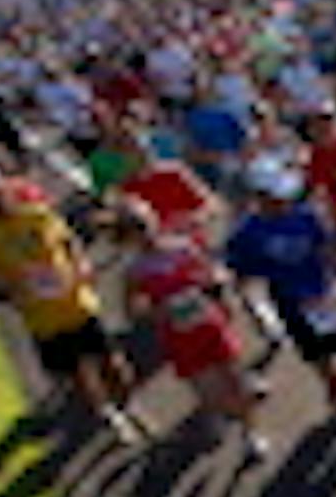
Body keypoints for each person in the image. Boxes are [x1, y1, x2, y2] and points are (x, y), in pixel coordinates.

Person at [0, 159, 145, 443]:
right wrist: (2, 289)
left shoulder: (35, 213)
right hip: (41, 316)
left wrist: (81, 265)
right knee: (79, 373)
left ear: (3, 186)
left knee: (113, 363)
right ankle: (110, 416)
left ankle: (129, 404)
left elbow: (68, 241)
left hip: (77, 302)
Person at [225, 158, 336, 456]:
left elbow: (326, 248)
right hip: (294, 308)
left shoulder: (307, 215)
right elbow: (241, 276)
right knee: (330, 371)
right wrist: (256, 311)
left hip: (326, 300)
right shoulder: (247, 233)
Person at [116, 196, 271, 463]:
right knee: (211, 395)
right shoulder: (135, 270)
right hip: (180, 338)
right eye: (136, 229)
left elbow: (214, 276)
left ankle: (252, 435)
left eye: (145, 223)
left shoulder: (182, 248)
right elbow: (131, 311)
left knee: (237, 383)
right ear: (127, 237)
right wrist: (158, 312)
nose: (145, 233)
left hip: (210, 325)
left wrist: (215, 289)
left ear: (154, 219)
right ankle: (225, 414)